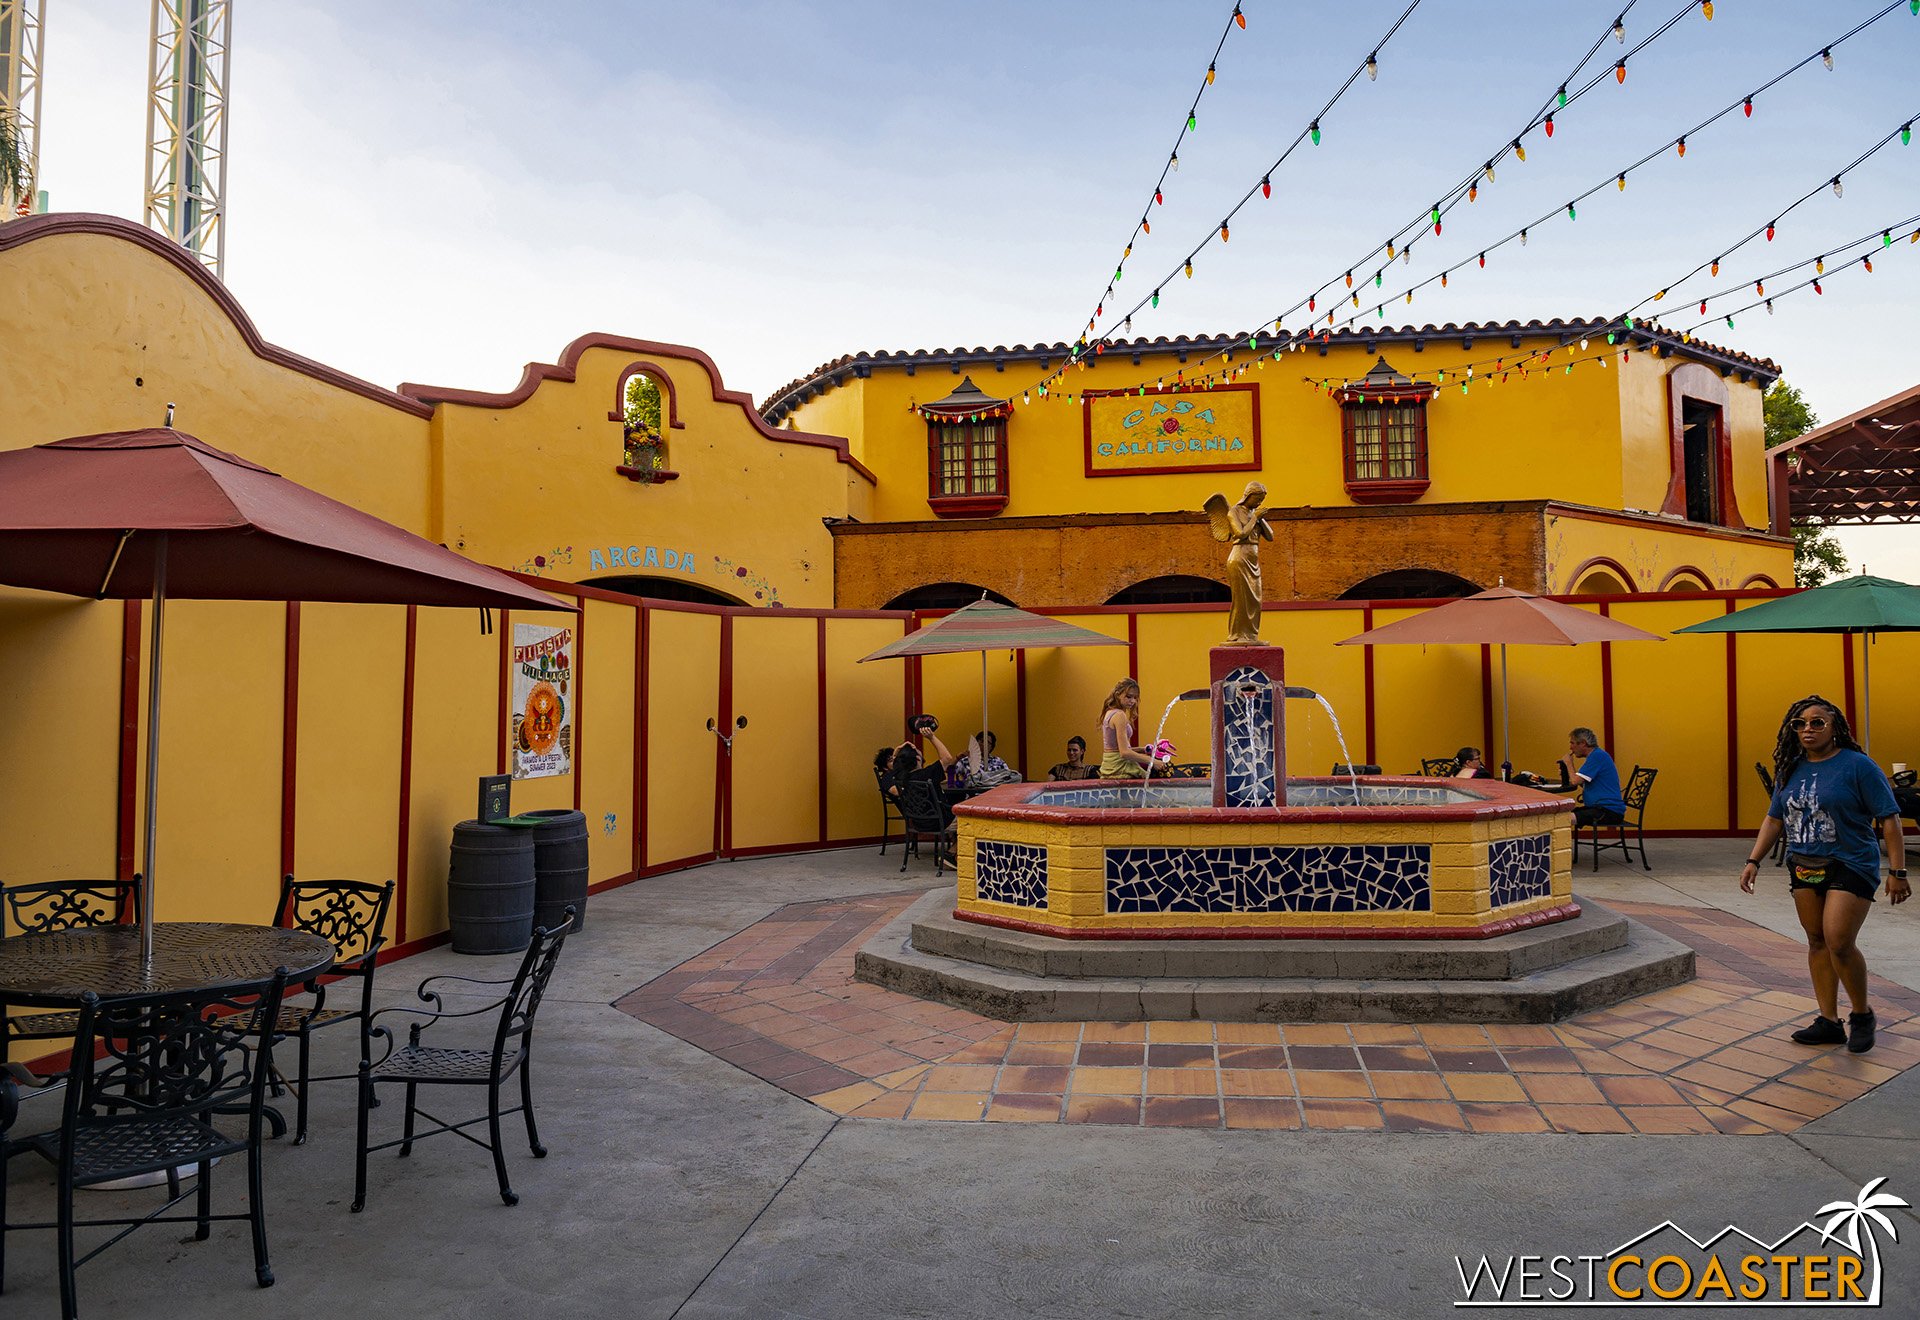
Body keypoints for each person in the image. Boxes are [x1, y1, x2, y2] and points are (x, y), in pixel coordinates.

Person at [1740, 696, 1907, 1053]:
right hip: (1804, 863)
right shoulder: (1790, 767)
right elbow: (1774, 819)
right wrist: (1753, 860)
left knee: (1838, 941)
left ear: (1836, 727)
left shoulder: (1858, 766)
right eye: (1800, 724)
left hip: (1851, 861)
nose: (1807, 729)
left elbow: (1889, 818)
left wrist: (1898, 870)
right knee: (1816, 940)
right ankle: (1829, 1021)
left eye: (1817, 722)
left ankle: (1861, 1015)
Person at [1204, 482, 1272, 646]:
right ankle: (1237, 635)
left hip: (1252, 560)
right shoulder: (1233, 512)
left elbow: (1270, 536)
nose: (1259, 503)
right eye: (1257, 499)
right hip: (1239, 558)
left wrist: (1259, 518)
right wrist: (1255, 518)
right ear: (1249, 495)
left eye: (1261, 500)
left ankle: (1250, 635)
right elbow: (1240, 534)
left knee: (1255, 600)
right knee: (1241, 599)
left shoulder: (1254, 513)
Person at [1099, 678, 1164, 779]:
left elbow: (1115, 750)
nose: (1132, 701)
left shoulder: (1110, 713)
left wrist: (1141, 749)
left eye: (1135, 698)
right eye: (1128, 697)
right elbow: (1124, 753)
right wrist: (1153, 761)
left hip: (1110, 766)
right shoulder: (1120, 715)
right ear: (1117, 694)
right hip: (1120, 768)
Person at [950, 730, 1019, 787]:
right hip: (974, 794)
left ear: (991, 747)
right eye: (981, 741)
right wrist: (957, 758)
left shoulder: (999, 761)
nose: (983, 744)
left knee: (1016, 776)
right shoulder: (965, 761)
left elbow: (1007, 776)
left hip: (995, 794)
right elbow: (949, 770)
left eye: (988, 742)